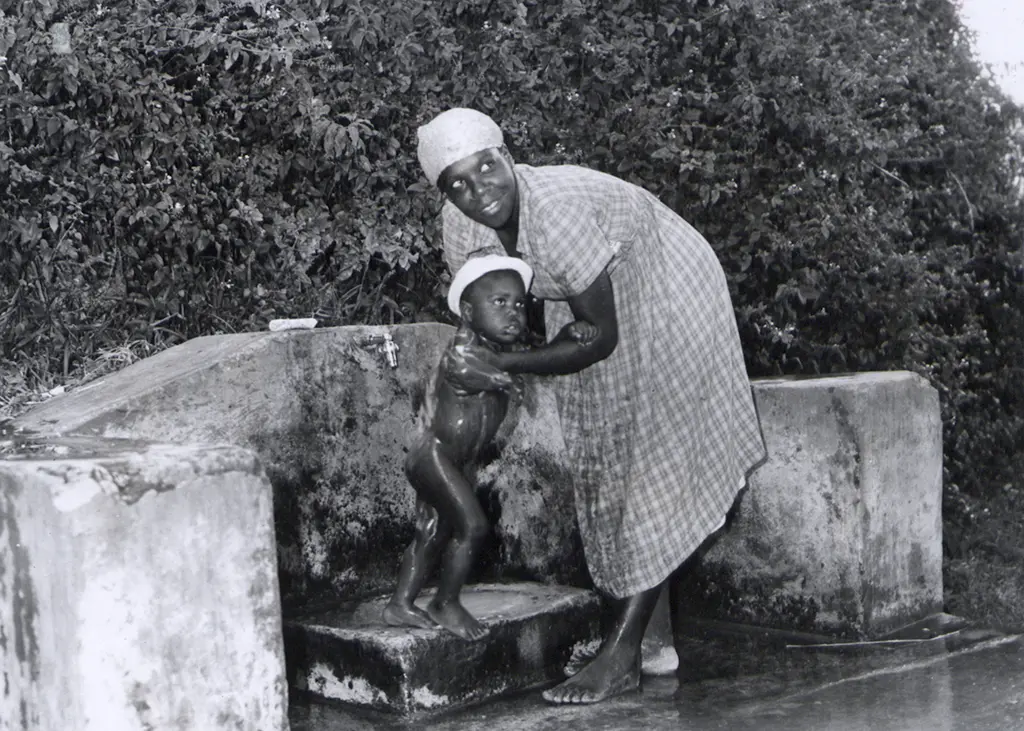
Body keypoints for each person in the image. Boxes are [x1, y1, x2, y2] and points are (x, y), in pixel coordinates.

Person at [413, 108, 767, 702]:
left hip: (666, 280)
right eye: (458, 184)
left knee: (651, 451)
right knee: (603, 445)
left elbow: (596, 336)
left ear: (506, 153)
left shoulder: (557, 214)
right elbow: (488, 322)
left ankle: (621, 655)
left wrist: (505, 367)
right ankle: (655, 643)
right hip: (590, 301)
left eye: (486, 168)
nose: (479, 192)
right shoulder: (461, 228)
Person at [382, 254, 597, 641]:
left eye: (519, 304)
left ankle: (399, 604)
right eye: (499, 303)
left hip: (453, 460)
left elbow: (540, 357)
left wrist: (572, 334)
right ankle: (445, 602)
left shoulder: (500, 350)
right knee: (473, 525)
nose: (513, 313)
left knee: (431, 532)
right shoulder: (463, 350)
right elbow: (462, 370)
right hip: (432, 456)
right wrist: (501, 379)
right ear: (467, 311)